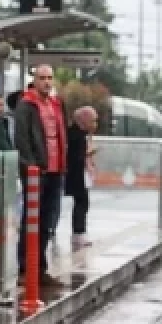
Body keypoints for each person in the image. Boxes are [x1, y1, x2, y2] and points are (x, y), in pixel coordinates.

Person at [14, 64, 66, 288]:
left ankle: (40, 266)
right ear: (34, 80)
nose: (47, 82)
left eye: (50, 77)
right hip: (37, 172)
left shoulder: (55, 104)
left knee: (48, 220)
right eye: (42, 77)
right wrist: (31, 166)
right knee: (32, 220)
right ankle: (26, 268)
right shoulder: (26, 105)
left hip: (56, 170)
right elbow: (22, 139)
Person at [66, 106, 99, 249]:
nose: (95, 124)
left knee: (83, 202)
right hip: (75, 174)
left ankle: (80, 232)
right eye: (92, 120)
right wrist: (88, 154)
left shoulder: (81, 134)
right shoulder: (75, 135)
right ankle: (78, 232)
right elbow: (75, 157)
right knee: (81, 202)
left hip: (80, 173)